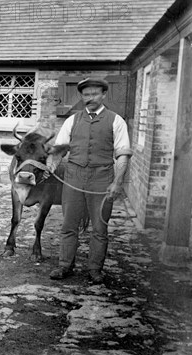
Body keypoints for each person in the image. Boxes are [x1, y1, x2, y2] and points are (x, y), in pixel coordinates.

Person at [49, 78, 132, 284]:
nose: (90, 98)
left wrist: (117, 182)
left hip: (102, 179)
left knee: (100, 227)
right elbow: (59, 150)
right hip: (73, 178)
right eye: (86, 95)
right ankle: (64, 265)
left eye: (94, 94)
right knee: (69, 224)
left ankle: (95, 269)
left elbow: (123, 154)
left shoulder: (116, 121)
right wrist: (51, 166)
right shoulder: (72, 120)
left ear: (103, 95)